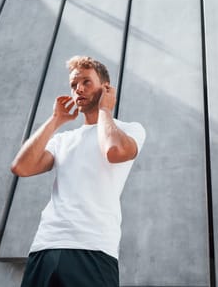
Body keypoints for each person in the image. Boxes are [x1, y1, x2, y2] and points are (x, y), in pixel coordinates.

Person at [11, 56, 146, 287]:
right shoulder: (63, 139)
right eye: (74, 85)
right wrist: (55, 120)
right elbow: (21, 167)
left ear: (105, 88)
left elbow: (114, 151)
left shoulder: (130, 129)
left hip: (93, 248)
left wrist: (105, 109)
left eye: (86, 82)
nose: (78, 89)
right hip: (45, 246)